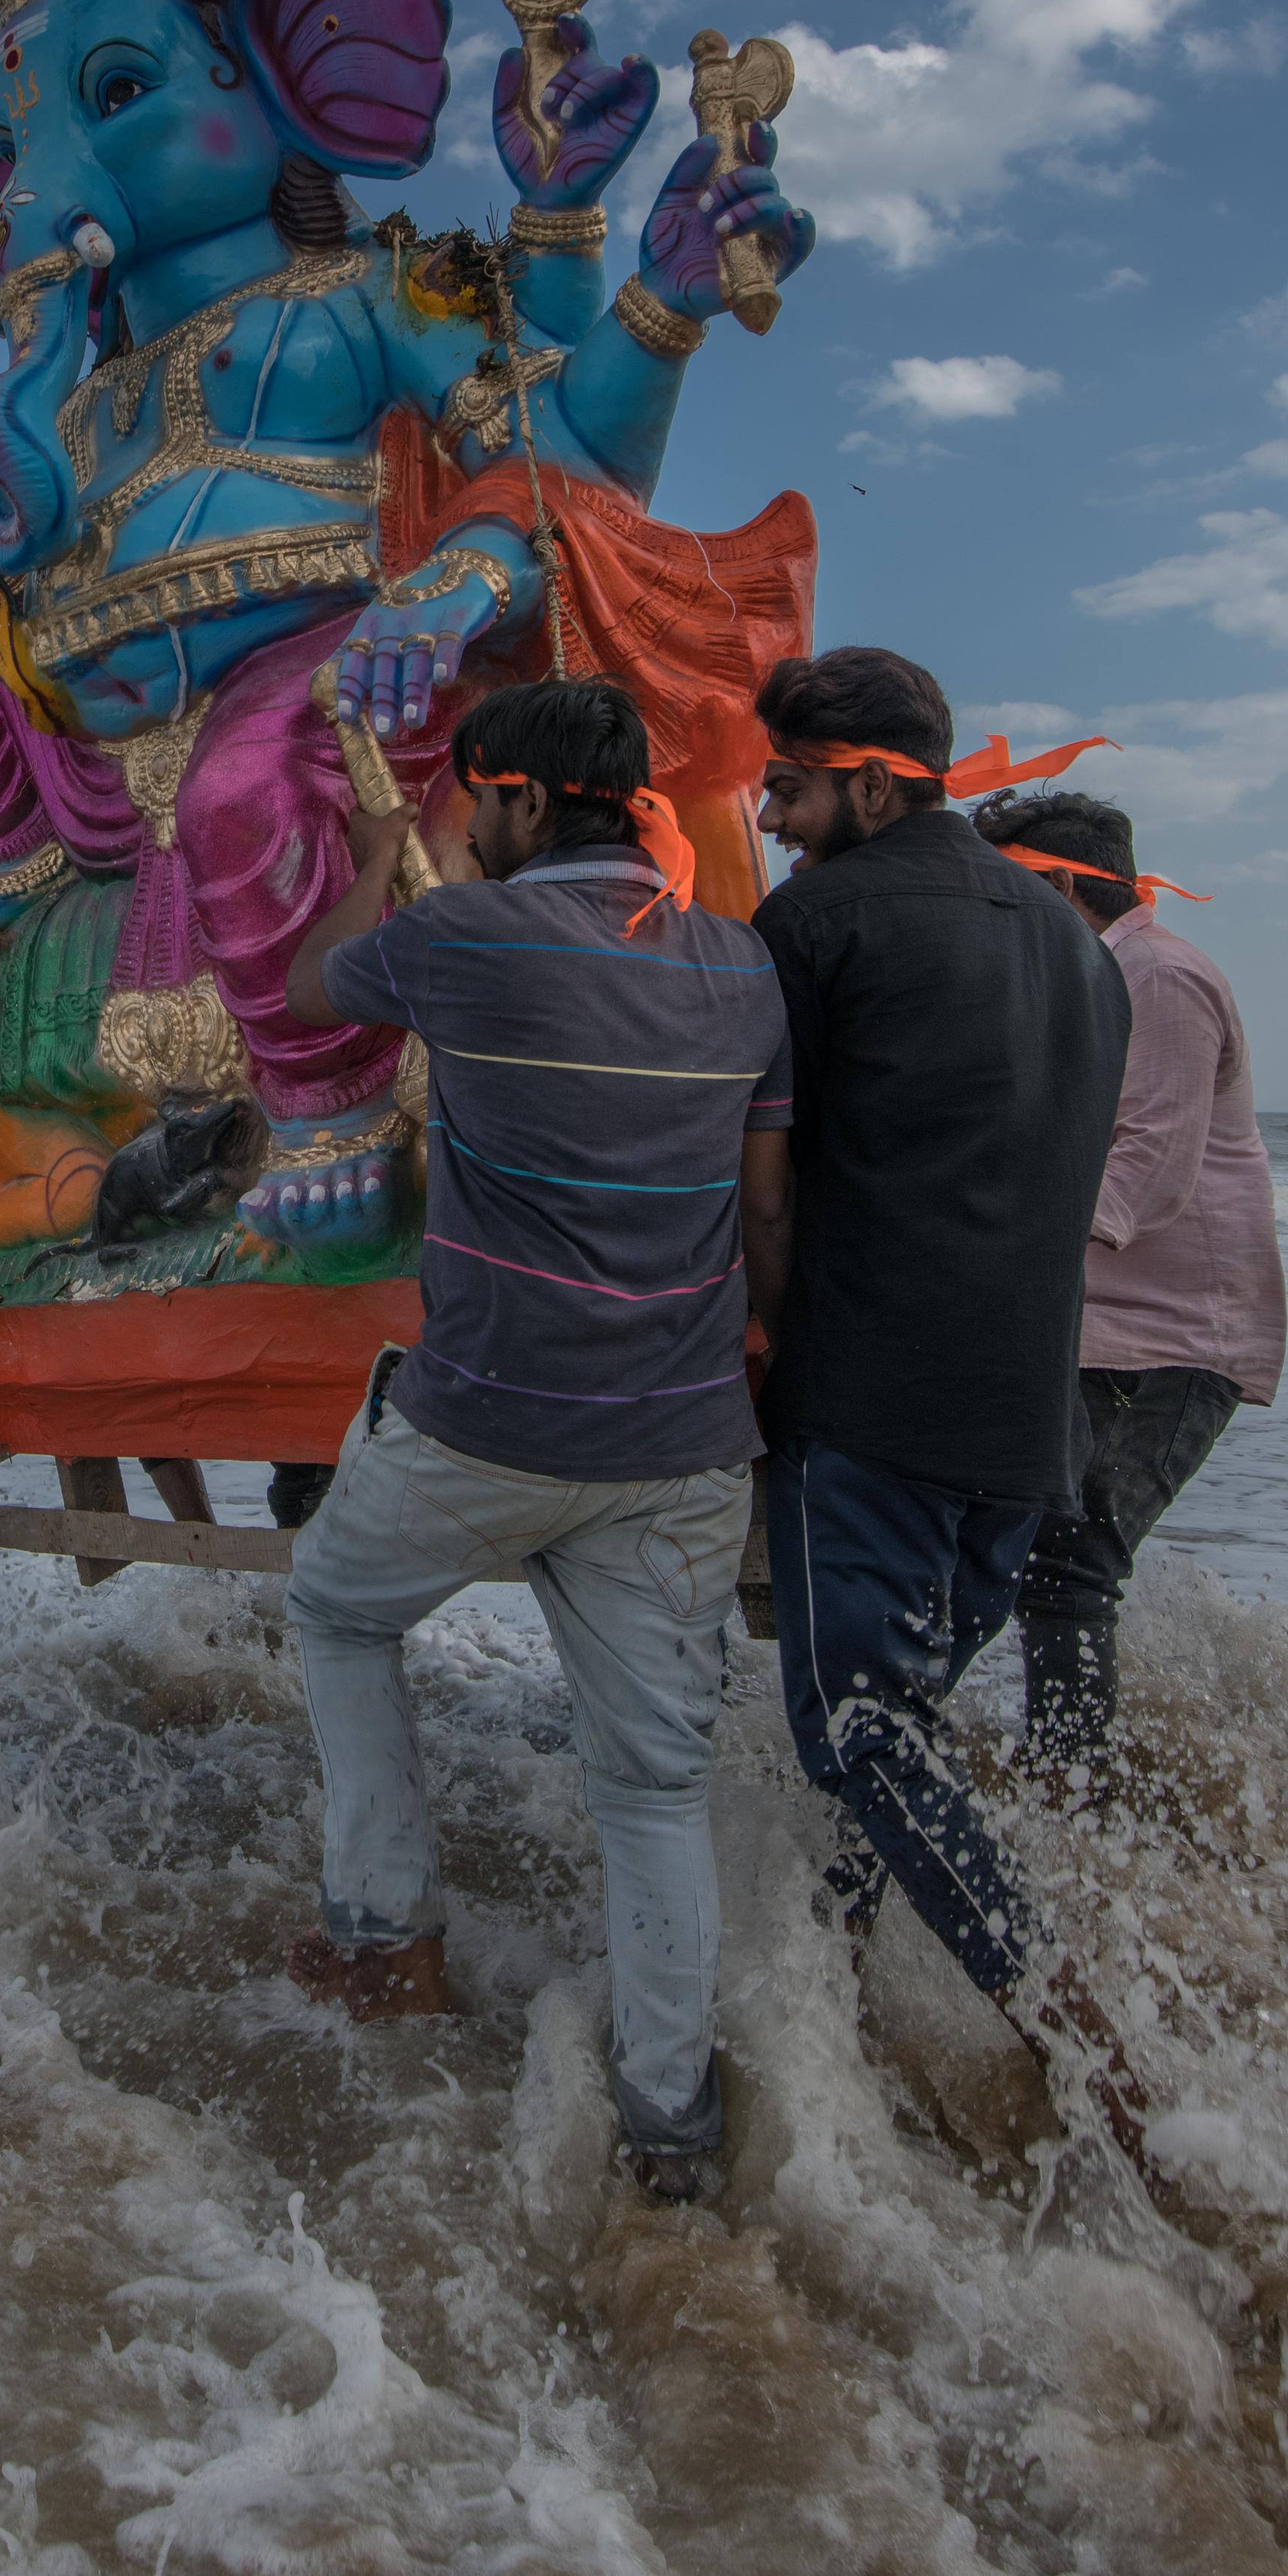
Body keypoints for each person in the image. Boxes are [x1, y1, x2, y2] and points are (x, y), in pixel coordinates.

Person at [271, 675, 794, 2200]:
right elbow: (765, 1208)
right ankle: (670, 2126)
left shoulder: (459, 934)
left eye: (469, 802)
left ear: (506, 803)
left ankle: (386, 1940)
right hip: (686, 1438)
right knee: (651, 1785)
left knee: (334, 1613)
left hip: (490, 1421)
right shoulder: (739, 965)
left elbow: (310, 996)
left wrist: (376, 848)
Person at [750, 650, 1148, 2152]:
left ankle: (1075, 2034)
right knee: (899, 1732)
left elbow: (764, 1181)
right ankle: (834, 2002)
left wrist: (765, 1344)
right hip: (1029, 1421)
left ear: (866, 781)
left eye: (790, 787)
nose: (776, 819)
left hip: (874, 1399)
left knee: (858, 1730)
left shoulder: (822, 920)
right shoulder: (1077, 948)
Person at [973, 788, 1287, 1768]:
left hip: (1176, 1336)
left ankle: (1074, 1796)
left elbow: (1150, 1160)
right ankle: (1070, 1775)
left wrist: (996, 1255)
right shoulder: (1096, 974)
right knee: (1043, 1556)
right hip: (1101, 1323)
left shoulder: (1157, 974)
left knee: (1072, 1561)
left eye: (1005, 891)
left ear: (1062, 884)